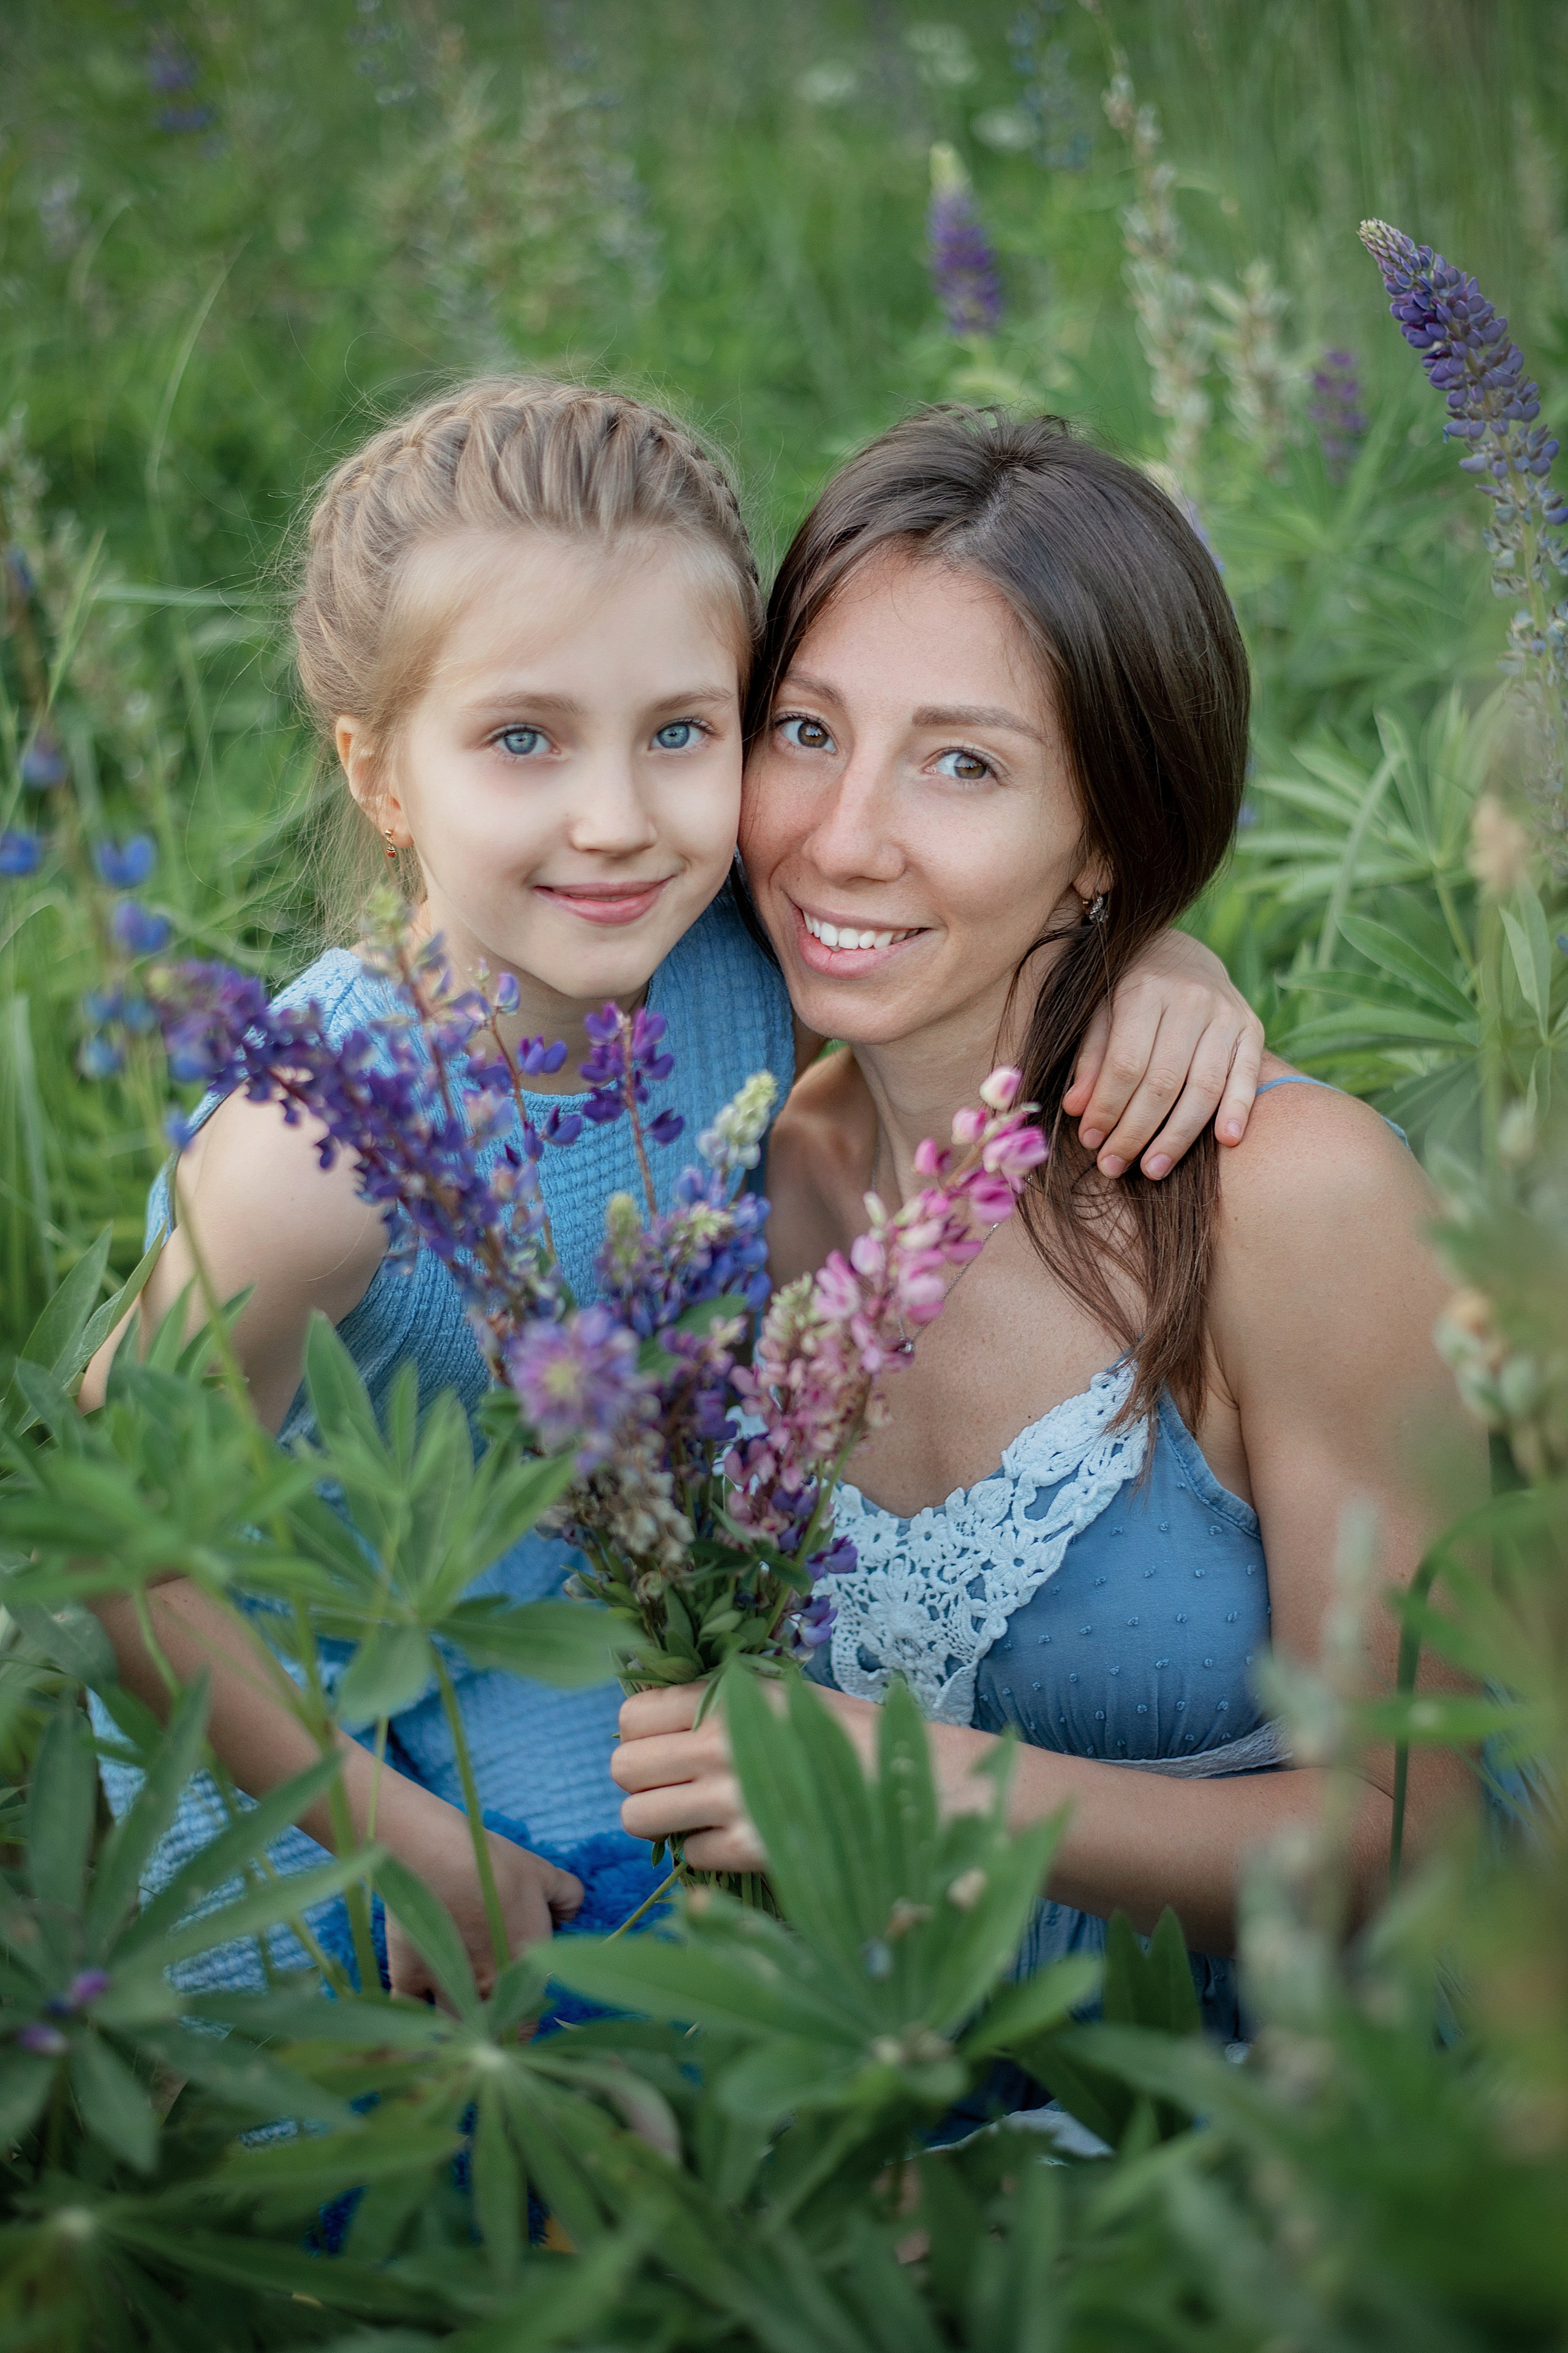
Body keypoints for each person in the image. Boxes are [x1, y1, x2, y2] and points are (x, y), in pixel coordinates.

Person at [83, 381, 1264, 1998]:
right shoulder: (309, 1153)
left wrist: (1149, 959)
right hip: (316, 1769)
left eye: (683, 732)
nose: (616, 820)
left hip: (591, 1642)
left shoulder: (718, 959)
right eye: (521, 739)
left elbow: (966, 952)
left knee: (736, 1966)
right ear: (379, 774)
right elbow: (124, 1555)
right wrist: (396, 1850)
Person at [611, 408, 1481, 2044]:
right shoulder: (737, 1174)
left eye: (966, 763)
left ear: (1106, 837)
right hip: (882, 2101)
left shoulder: (1293, 1200)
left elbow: (1413, 1834)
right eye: (804, 730)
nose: (840, 833)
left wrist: (922, 1785)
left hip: (1280, 2137)